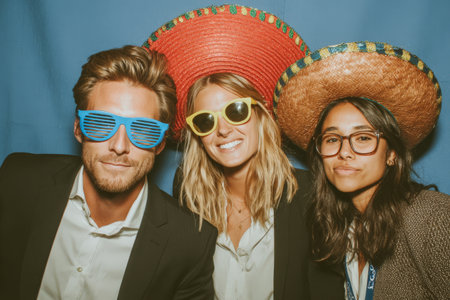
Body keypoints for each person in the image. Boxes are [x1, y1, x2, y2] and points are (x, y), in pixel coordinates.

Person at [143, 5, 344, 300]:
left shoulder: (310, 193)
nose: (222, 130)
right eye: (205, 120)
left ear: (261, 114)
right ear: (197, 134)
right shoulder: (187, 191)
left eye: (235, 111)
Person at [0, 45, 217, 300]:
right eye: (100, 123)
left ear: (160, 144)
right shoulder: (17, 180)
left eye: (143, 130)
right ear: (78, 129)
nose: (119, 146)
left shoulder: (190, 241)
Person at [274, 41, 449, 299]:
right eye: (332, 139)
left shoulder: (432, 217)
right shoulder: (344, 228)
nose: (345, 152)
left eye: (364, 138)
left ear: (391, 154)